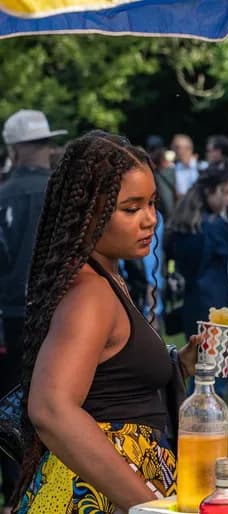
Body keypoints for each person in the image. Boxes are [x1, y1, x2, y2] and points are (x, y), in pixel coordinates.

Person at [11, 131, 199, 513]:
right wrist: (148, 506)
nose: (149, 220)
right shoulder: (91, 294)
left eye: (151, 203)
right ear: (88, 212)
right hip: (95, 494)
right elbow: (51, 408)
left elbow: (111, 383)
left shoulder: (107, 277)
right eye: (130, 209)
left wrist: (181, 364)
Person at [0, 109, 67, 514]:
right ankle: (50, 485)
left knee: (12, 404)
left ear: (13, 149)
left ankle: (16, 490)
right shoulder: (62, 192)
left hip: (11, 316)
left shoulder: (4, 193)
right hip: (61, 312)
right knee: (58, 399)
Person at [166, 167, 228, 341]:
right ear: (210, 191)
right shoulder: (216, 227)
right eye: (225, 192)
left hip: (192, 307)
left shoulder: (183, 225)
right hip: (219, 311)